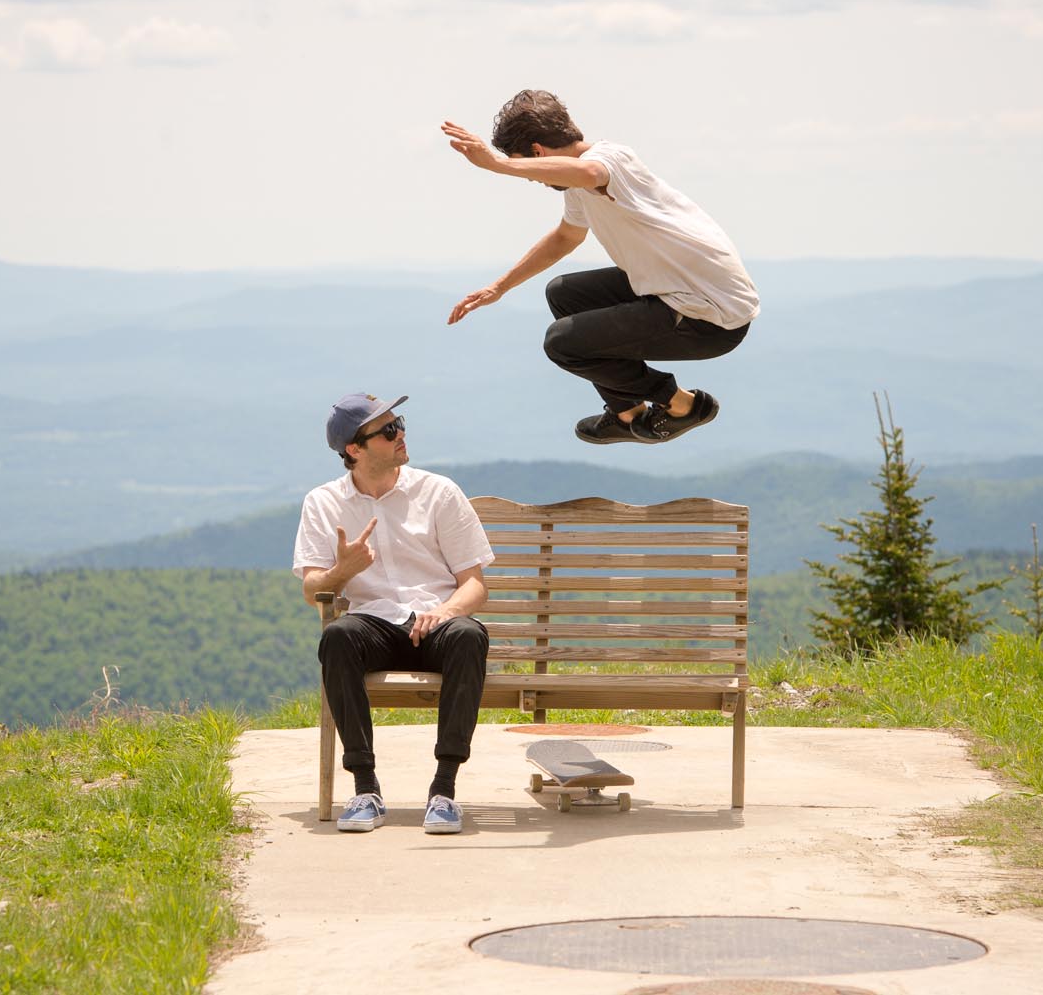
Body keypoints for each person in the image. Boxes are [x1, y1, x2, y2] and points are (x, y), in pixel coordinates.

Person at [443, 89, 759, 445]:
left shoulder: (611, 158)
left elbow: (591, 172)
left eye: (527, 167)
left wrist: (498, 165)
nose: (533, 178)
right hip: (679, 289)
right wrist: (499, 287)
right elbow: (566, 237)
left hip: (711, 318)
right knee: (564, 294)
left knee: (563, 344)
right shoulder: (577, 185)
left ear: (538, 153)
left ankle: (684, 405)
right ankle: (627, 413)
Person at [293, 392, 494, 834]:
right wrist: (342, 571)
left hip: (438, 622)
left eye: (399, 422)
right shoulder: (323, 502)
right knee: (337, 636)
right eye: (387, 430)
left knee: (468, 635)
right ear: (354, 449)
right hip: (375, 625)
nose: (401, 434)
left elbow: (474, 585)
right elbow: (312, 590)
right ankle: (365, 790)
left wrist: (445, 611)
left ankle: (444, 791)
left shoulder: (438, 492)